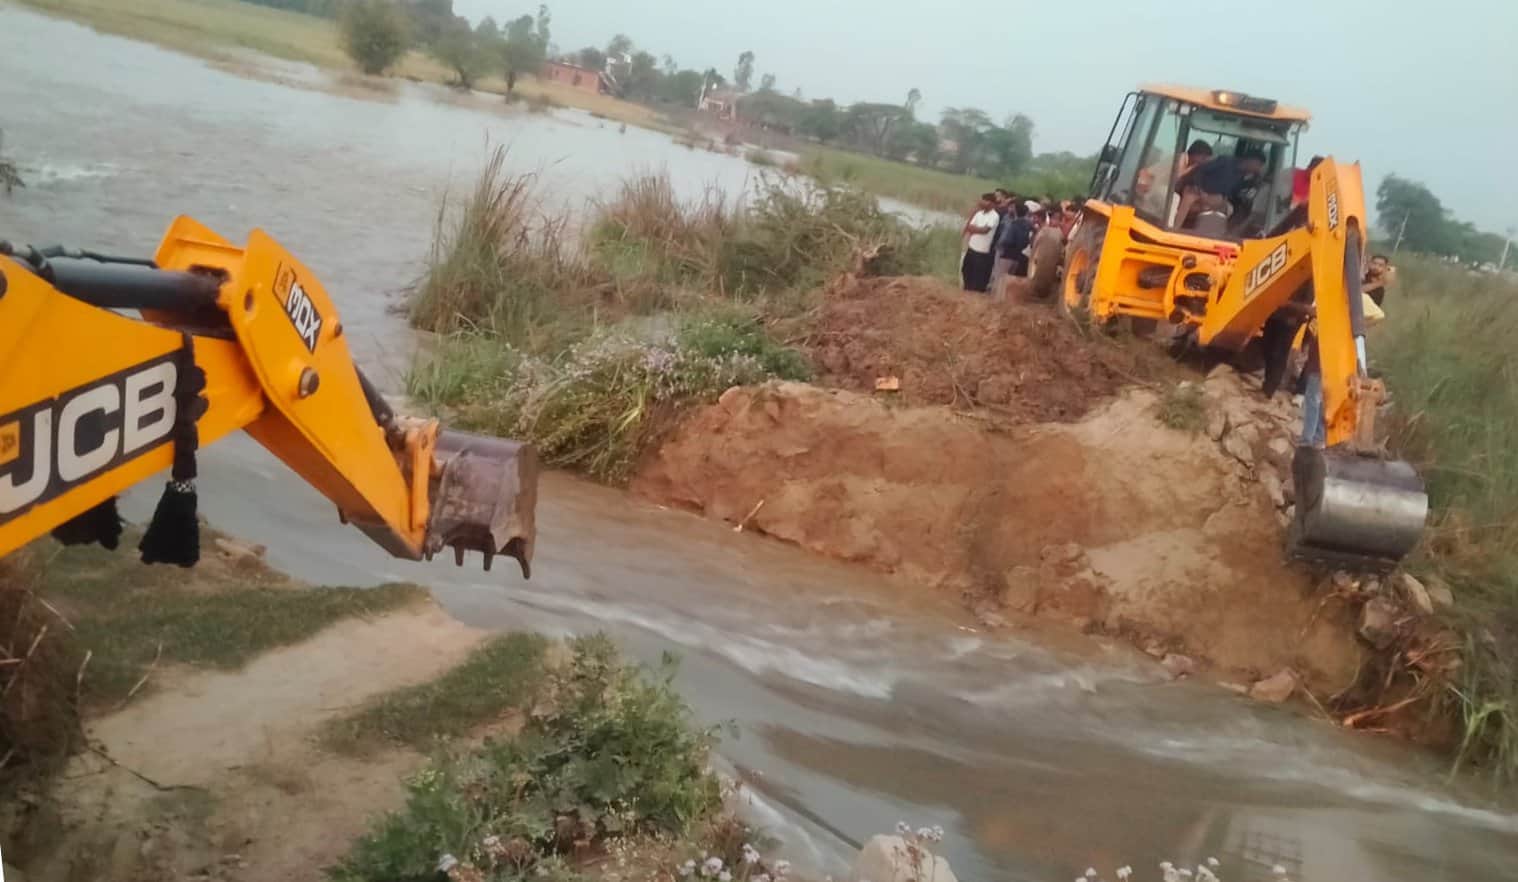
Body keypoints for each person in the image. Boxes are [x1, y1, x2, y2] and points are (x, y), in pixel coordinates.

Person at [1176, 148, 1267, 233]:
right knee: (1188, 199)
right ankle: (1174, 229)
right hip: (1197, 190)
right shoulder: (1225, 161)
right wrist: (1199, 189)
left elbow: (1233, 192)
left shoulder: (1242, 177)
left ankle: (1212, 235)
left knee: (1227, 208)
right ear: (1251, 160)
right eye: (1258, 165)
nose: (1258, 169)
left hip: (1214, 197)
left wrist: (1256, 181)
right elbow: (1200, 170)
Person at [961, 193, 1000, 293]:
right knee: (966, 271)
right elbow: (969, 226)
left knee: (976, 277)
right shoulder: (979, 213)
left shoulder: (994, 216)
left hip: (981, 251)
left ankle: (973, 297)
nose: (981, 202)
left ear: (990, 203)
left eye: (984, 200)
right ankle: (966, 292)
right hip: (971, 248)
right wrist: (977, 229)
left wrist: (975, 229)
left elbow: (985, 230)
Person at [996, 200, 1036, 281]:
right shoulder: (1029, 225)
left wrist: (1001, 244)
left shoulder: (1014, 224)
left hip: (1008, 254)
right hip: (1019, 256)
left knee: (1001, 279)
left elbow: (1007, 239)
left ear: (1016, 211)